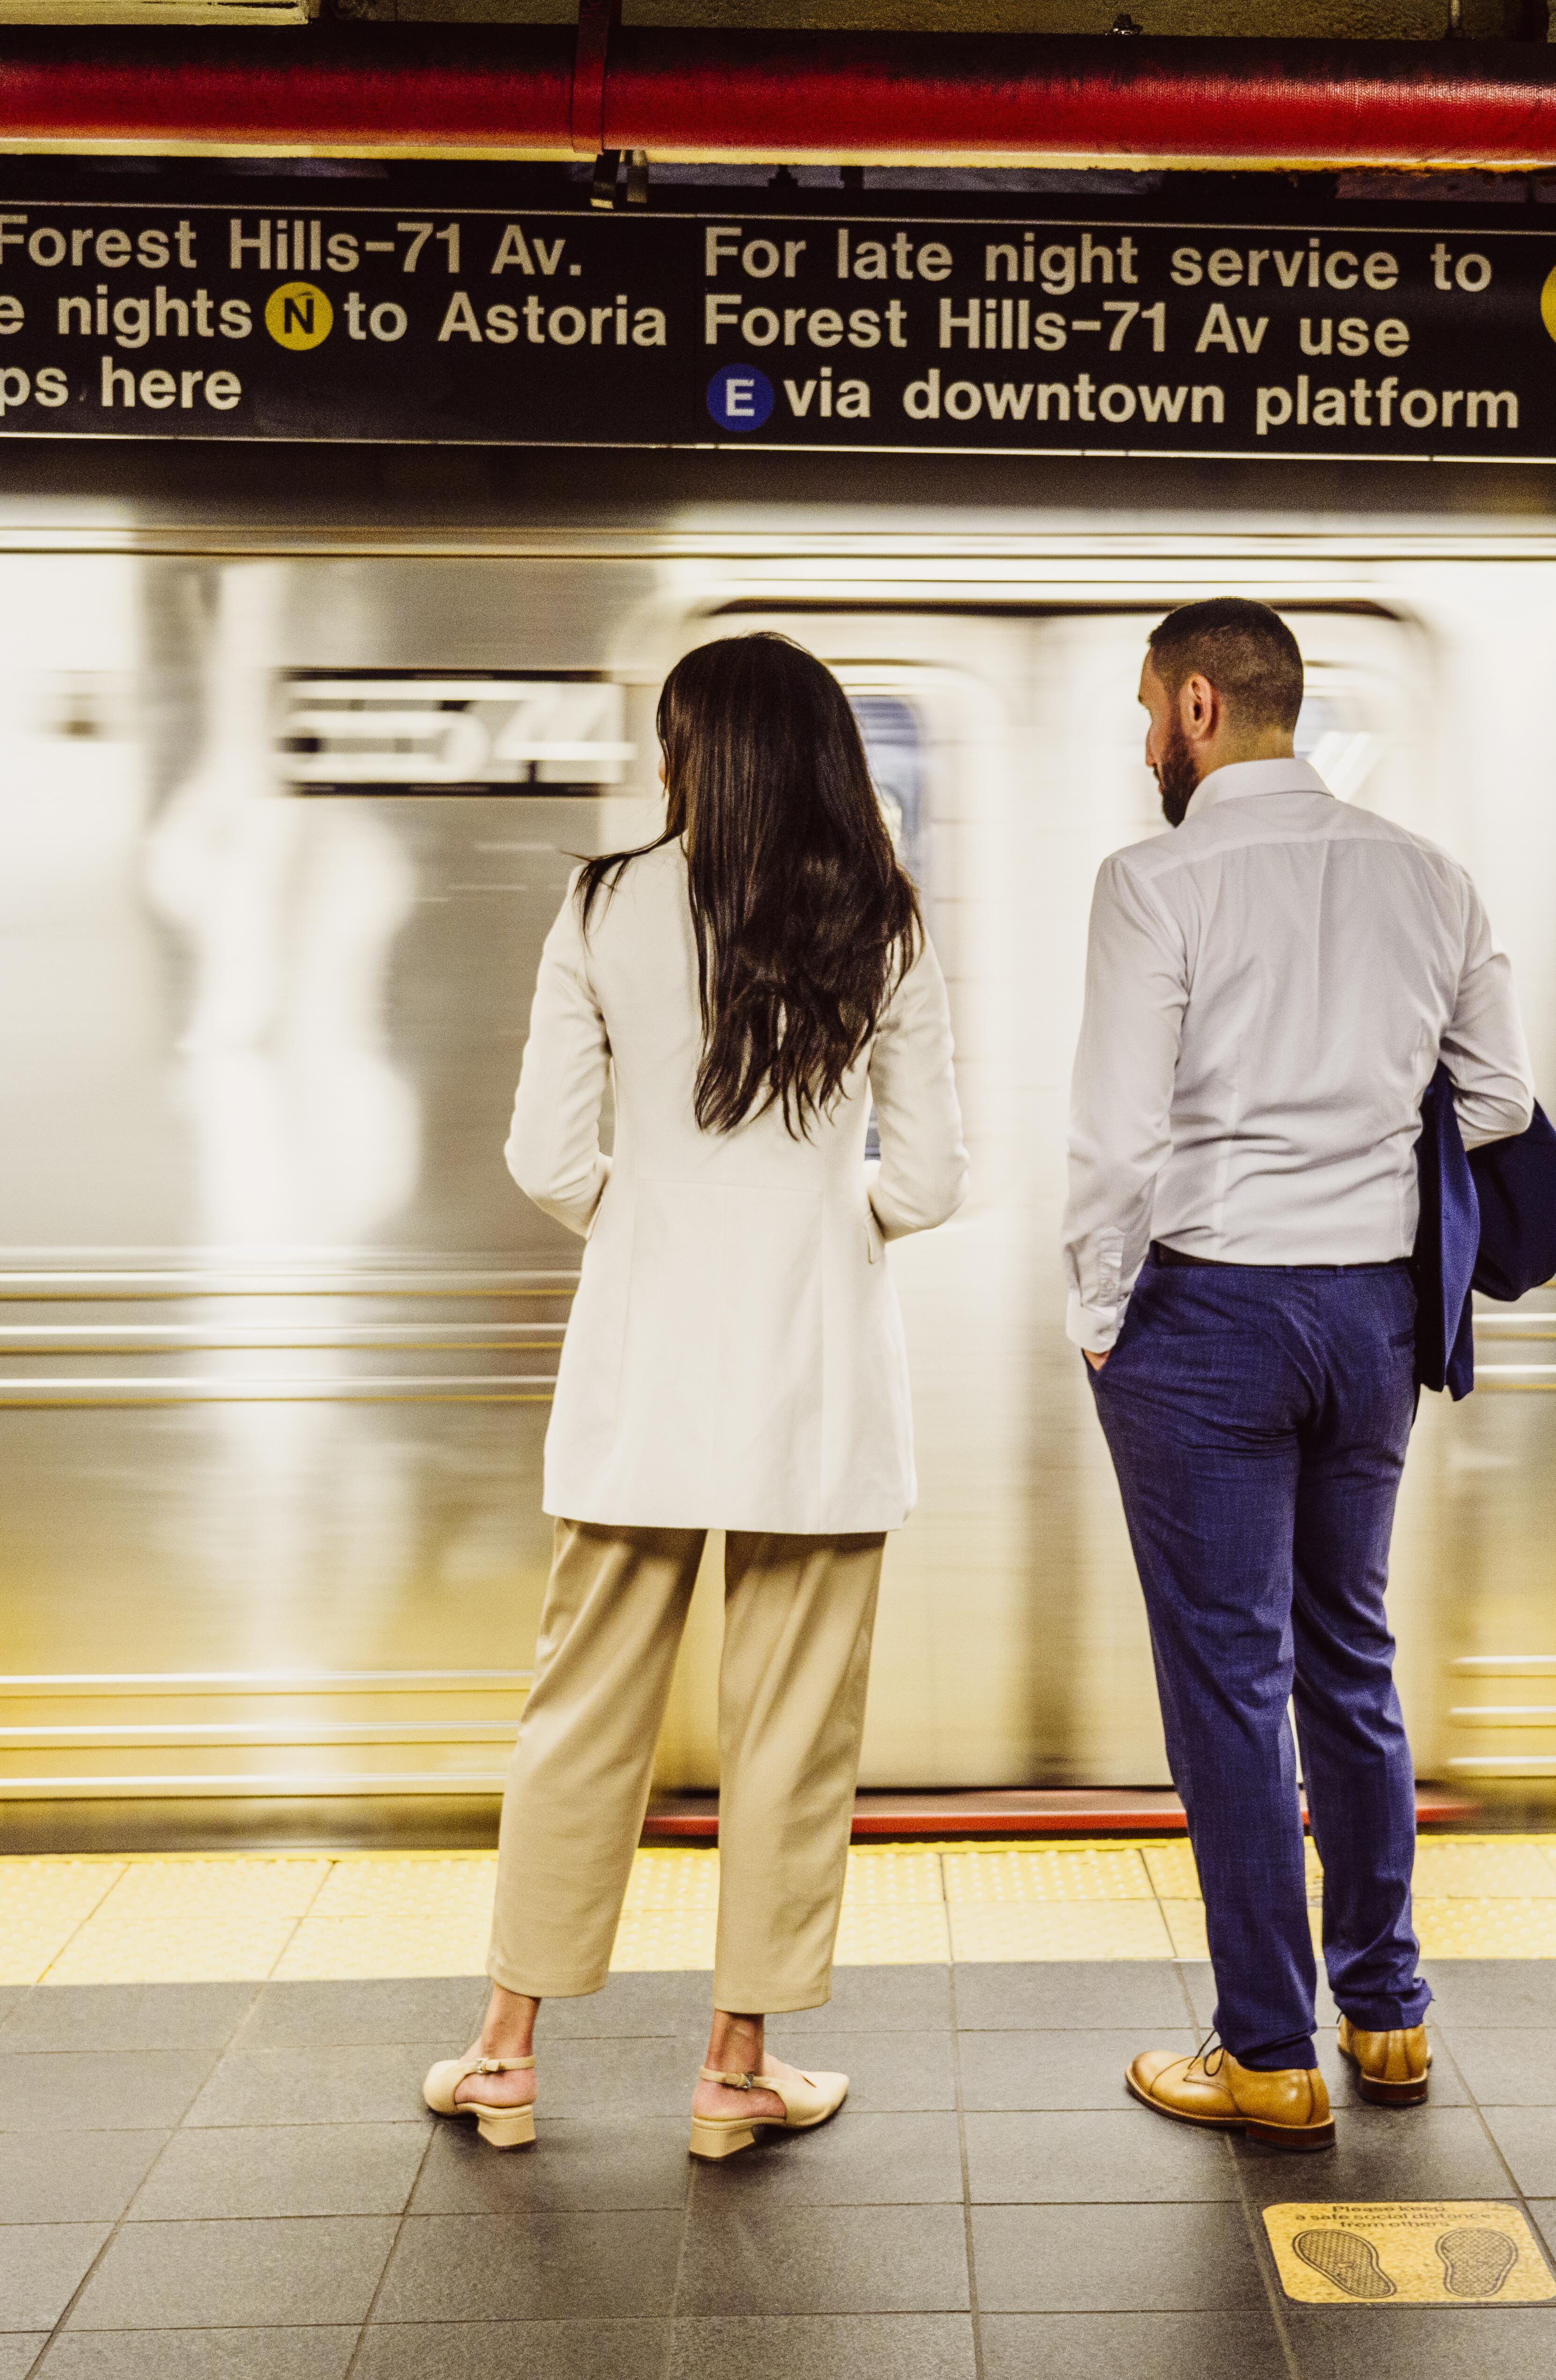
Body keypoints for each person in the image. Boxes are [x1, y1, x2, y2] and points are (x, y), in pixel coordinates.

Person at [427, 632, 966, 2163]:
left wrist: (653, 1225)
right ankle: (735, 2075)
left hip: (642, 1379)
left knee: (581, 1715)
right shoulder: (890, 921)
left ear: (690, 759)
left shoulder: (601, 905)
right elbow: (929, 1177)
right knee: (793, 1732)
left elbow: (545, 1160)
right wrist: (815, 1229)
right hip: (819, 1387)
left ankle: (508, 2057)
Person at [1066, 598, 1533, 2150]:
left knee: (1228, 1680)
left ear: (1200, 706)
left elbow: (1120, 1139)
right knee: (1350, 1652)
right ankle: (1386, 2018)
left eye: (1149, 713)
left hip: (1207, 1315)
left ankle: (1266, 2053)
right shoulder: (1429, 878)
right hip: (1372, 1321)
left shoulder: (1154, 882)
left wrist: (1096, 1309)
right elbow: (1500, 1099)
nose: (1147, 745)